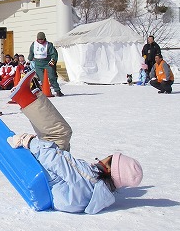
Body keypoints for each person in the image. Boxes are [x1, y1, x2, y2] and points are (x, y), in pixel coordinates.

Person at [8, 71, 143, 214]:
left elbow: (56, 160)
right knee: (58, 139)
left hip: (45, 181)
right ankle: (29, 98)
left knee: (61, 133)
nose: (102, 158)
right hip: (53, 187)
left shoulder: (88, 177)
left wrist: (30, 142)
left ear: (110, 169)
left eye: (109, 158)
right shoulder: (97, 191)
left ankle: (26, 97)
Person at [28, 31, 63, 97]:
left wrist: (52, 62)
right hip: (38, 63)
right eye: (39, 39)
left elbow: (54, 54)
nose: (40, 41)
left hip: (47, 63)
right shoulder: (34, 44)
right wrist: (30, 58)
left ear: (44, 38)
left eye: (42, 39)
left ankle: (57, 90)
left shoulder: (49, 45)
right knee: (42, 78)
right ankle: (47, 91)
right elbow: (31, 52)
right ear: (37, 39)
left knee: (52, 77)